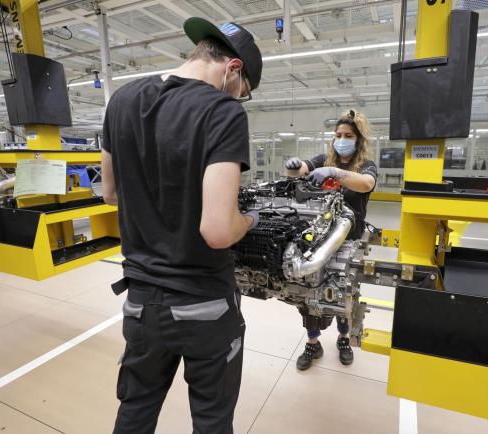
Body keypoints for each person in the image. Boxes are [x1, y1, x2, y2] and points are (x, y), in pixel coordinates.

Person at [101, 17, 262, 434]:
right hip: (204, 306)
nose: (238, 100)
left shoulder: (120, 100)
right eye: (243, 94)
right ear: (233, 69)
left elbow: (110, 194)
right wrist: (248, 219)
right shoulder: (221, 111)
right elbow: (218, 231)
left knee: (135, 409)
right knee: (211, 420)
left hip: (140, 305)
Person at [285, 110, 378, 370]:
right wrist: (295, 167)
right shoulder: (322, 159)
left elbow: (366, 184)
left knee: (343, 294)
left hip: (348, 239)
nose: (341, 139)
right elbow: (303, 169)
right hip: (318, 238)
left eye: (348, 135)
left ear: (358, 140)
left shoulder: (366, 165)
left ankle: (344, 338)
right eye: (338, 135)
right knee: (309, 292)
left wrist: (335, 172)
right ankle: (313, 342)